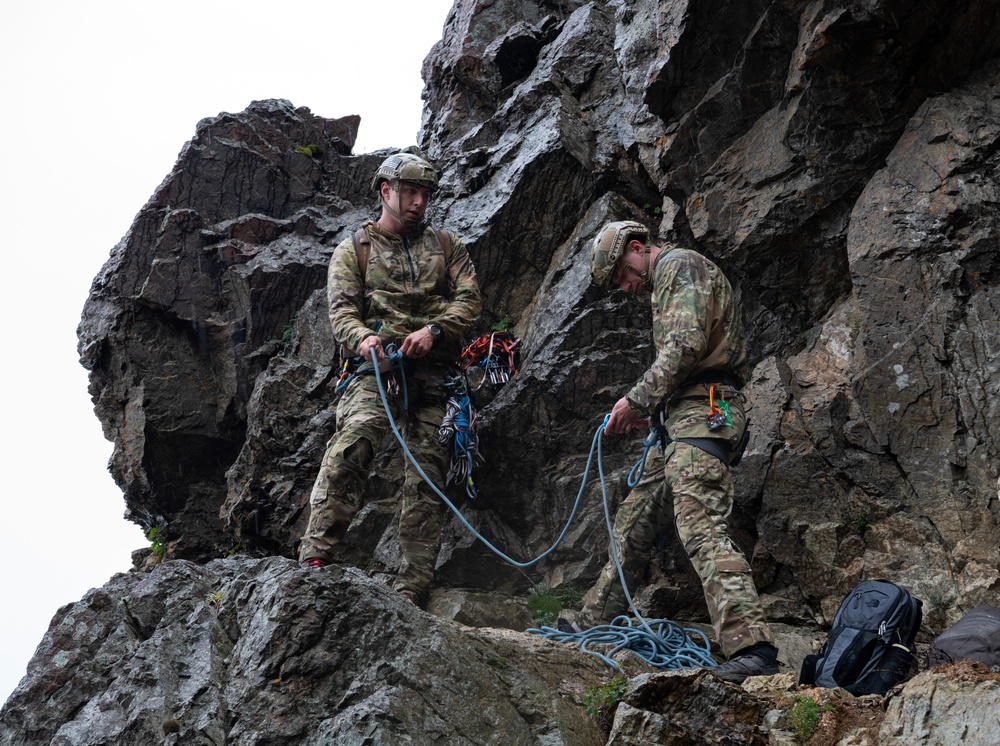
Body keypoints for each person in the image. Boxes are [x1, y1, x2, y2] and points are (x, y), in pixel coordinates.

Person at [572, 219, 779, 683]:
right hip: (680, 415)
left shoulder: (679, 266)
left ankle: (753, 647)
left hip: (707, 410)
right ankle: (589, 625)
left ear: (638, 248)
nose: (624, 288)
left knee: (698, 520)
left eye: (622, 276)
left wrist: (636, 400)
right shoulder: (665, 280)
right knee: (633, 518)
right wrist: (655, 410)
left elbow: (685, 347)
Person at [298, 152, 481, 608]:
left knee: (428, 472)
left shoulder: (447, 246)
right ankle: (316, 555)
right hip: (375, 370)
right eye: (410, 192)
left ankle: (412, 582)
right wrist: (362, 338)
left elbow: (470, 299)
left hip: (437, 373)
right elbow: (341, 313)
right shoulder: (354, 249)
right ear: (386, 191)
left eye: (425, 194)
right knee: (356, 438)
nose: (419, 202)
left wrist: (435, 330)